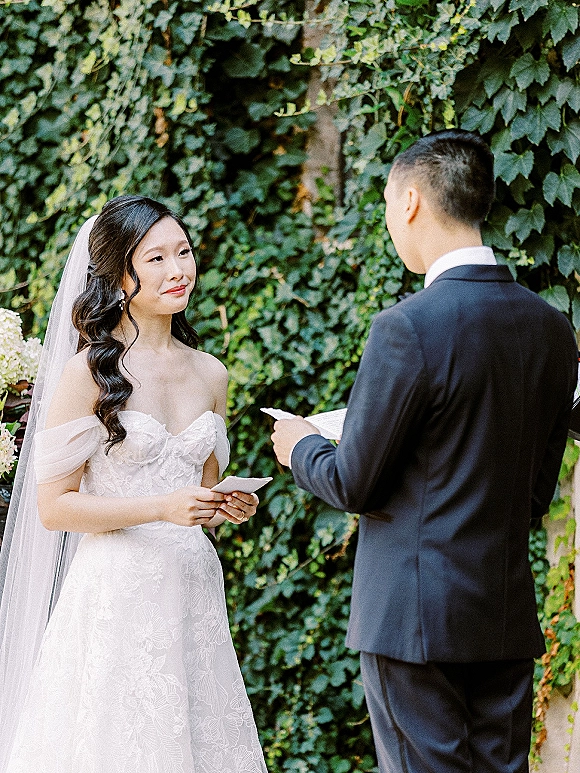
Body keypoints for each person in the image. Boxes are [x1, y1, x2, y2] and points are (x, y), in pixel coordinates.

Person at [271, 129, 578, 773]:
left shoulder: (406, 328)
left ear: (410, 201)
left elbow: (355, 483)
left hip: (413, 619)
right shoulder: (550, 329)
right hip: (502, 611)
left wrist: (301, 446)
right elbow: (530, 491)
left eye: (387, 209)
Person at [0, 195, 268, 772]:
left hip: (192, 587)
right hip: (117, 593)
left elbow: (199, 497)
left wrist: (224, 507)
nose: (179, 271)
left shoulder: (211, 372)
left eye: (185, 253)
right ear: (120, 273)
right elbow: (53, 507)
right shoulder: (89, 374)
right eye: (157, 259)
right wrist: (163, 507)